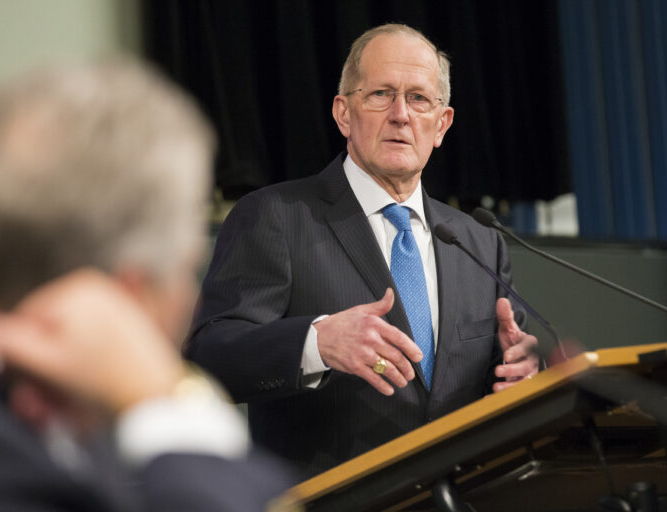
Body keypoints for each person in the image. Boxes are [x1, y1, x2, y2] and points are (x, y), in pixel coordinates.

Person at [0, 60, 291, 511]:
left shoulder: (19, 399)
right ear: (121, 294)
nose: (191, 297)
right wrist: (168, 404)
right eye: (185, 270)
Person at [186, 23, 540, 477]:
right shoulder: (276, 215)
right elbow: (208, 357)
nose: (401, 115)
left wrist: (526, 369)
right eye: (380, 95)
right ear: (343, 114)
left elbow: (510, 361)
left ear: (442, 124)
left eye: (418, 98)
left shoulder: (478, 240)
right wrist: (316, 343)